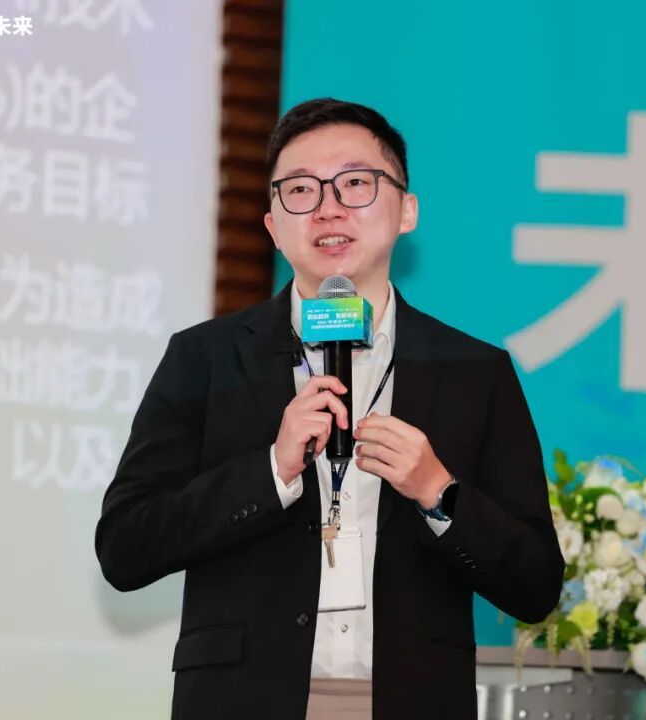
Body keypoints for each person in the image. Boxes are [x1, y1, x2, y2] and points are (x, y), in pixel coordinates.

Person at [95, 98, 564, 720]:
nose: (328, 207)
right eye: (300, 189)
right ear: (272, 225)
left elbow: (536, 584)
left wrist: (439, 493)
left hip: (413, 700)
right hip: (242, 702)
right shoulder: (204, 358)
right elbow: (124, 548)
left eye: (355, 183)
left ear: (407, 210)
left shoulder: (475, 372)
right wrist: (270, 470)